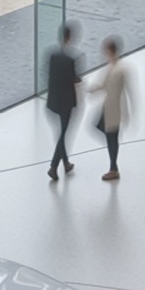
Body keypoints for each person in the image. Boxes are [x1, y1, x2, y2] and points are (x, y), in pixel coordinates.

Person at [91, 35, 132, 180]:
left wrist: (127, 113)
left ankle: (113, 168)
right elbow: (104, 84)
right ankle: (113, 167)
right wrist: (92, 89)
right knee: (108, 135)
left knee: (111, 138)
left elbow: (126, 92)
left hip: (114, 109)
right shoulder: (112, 67)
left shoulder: (119, 70)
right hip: (109, 107)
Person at [45, 22, 80, 181]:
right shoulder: (71, 59)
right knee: (63, 134)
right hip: (66, 102)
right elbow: (73, 79)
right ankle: (53, 166)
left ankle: (65, 163)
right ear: (69, 38)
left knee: (61, 133)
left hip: (53, 100)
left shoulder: (52, 55)